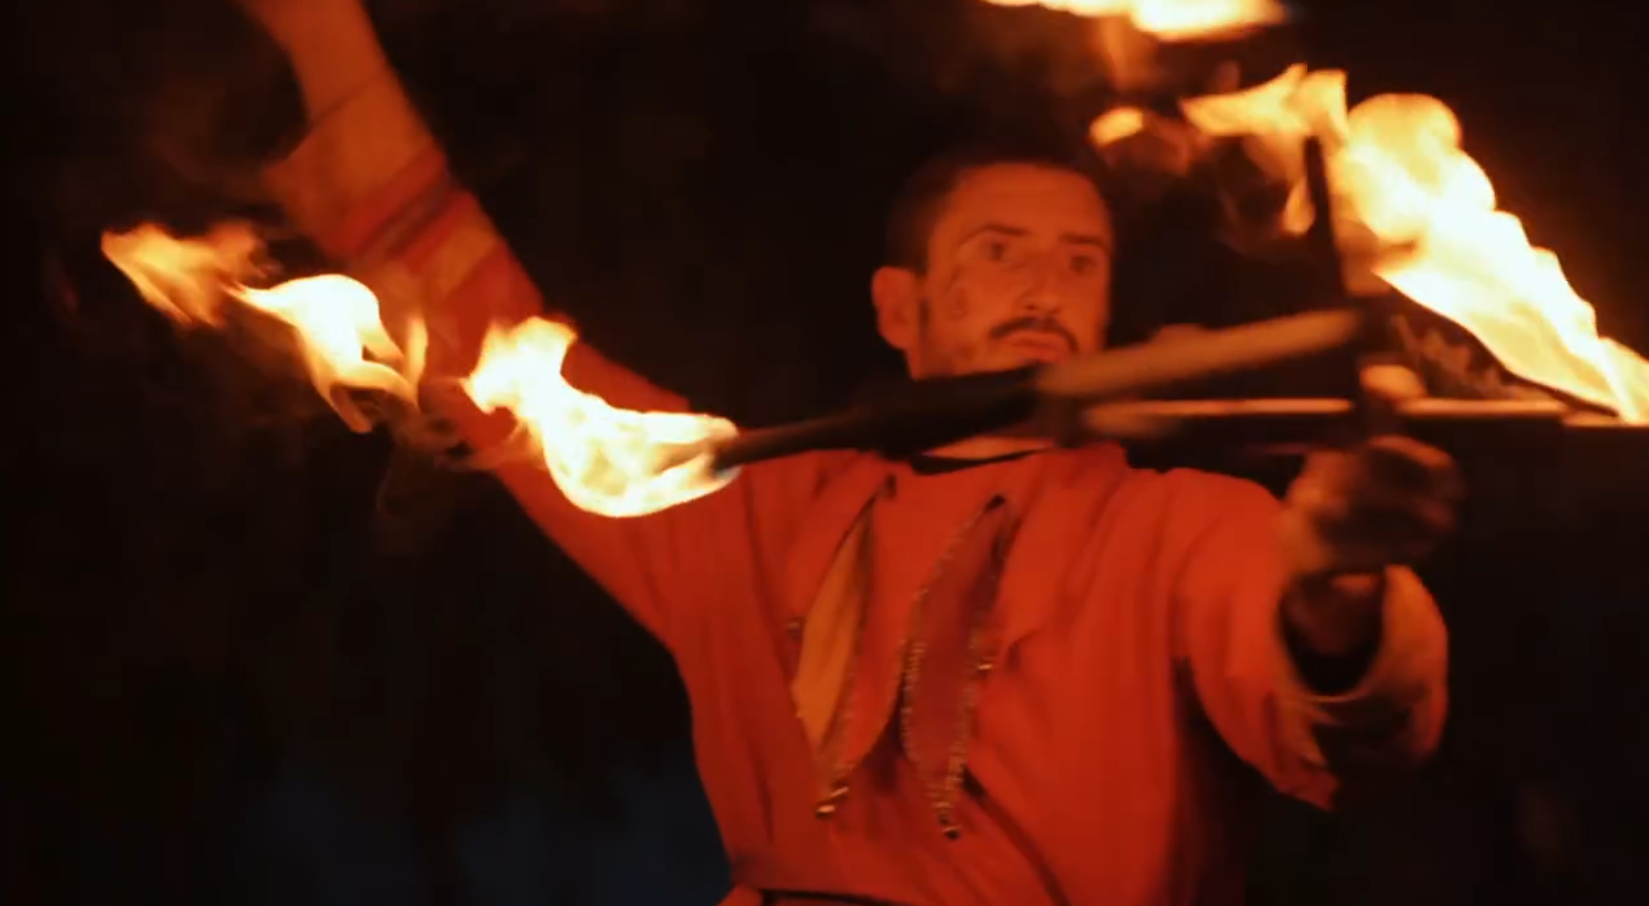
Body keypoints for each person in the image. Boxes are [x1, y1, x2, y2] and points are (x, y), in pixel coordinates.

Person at [235, 2, 1460, 904]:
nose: (1046, 285)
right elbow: (484, 339)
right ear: (899, 310)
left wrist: (1338, 591)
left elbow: (1351, 730)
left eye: (1081, 262)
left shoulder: (1174, 528)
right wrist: (327, 36)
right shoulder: (756, 510)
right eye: (997, 253)